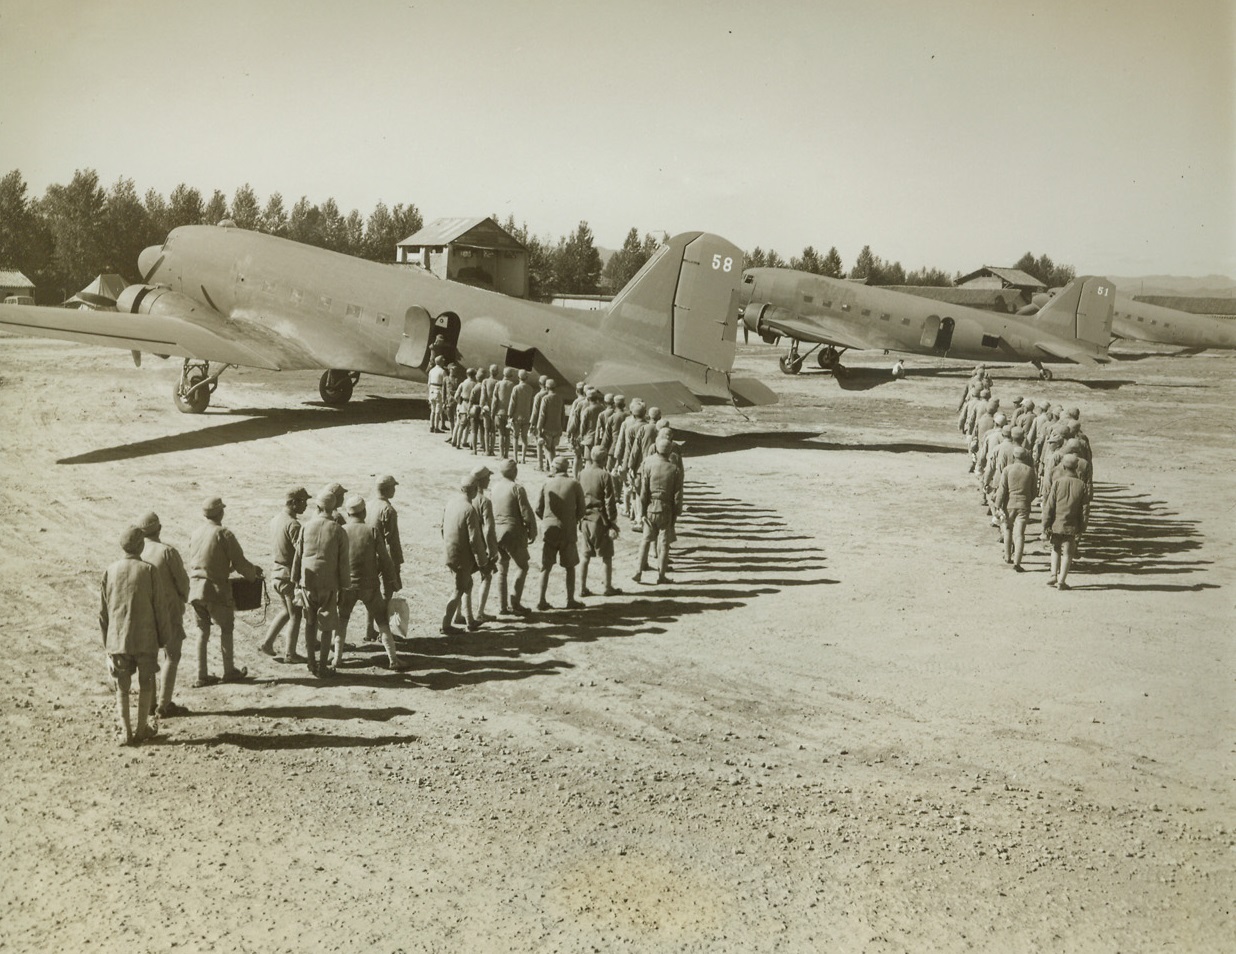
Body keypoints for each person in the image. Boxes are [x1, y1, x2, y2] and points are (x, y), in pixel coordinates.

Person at [100, 526, 171, 745]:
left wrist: (108, 643)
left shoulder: (110, 571)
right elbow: (160, 607)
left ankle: (125, 731)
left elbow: (103, 612)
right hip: (146, 638)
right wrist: (163, 637)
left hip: (118, 638)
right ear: (141, 545)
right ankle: (142, 729)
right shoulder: (149, 571)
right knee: (146, 682)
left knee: (122, 685)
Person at [187, 496, 261, 687]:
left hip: (195, 589)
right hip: (215, 590)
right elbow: (239, 562)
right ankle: (229, 671)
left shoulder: (196, 533)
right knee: (226, 628)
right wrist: (253, 575)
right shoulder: (224, 533)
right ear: (221, 512)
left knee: (202, 631)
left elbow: (204, 561)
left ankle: (201, 675)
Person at [338, 494, 408, 670]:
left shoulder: (341, 531)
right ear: (364, 512)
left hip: (347, 585)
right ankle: (393, 659)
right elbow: (385, 559)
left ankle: (337, 659)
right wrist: (393, 579)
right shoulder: (372, 531)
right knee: (383, 622)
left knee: (342, 621)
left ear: (348, 513)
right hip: (370, 585)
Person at [137, 512, 190, 719]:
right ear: (159, 528)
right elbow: (182, 583)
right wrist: (183, 599)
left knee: (149, 658)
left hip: (145, 613)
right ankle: (164, 704)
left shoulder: (137, 552)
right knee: (172, 656)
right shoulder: (167, 552)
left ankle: (149, 704)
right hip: (169, 611)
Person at [292, 490, 349, 677]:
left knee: (310, 623)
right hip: (329, 584)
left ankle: (311, 662)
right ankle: (323, 665)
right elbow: (343, 562)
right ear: (334, 508)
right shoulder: (338, 530)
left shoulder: (306, 527)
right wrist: (344, 586)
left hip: (307, 582)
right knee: (326, 626)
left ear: (317, 507)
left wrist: (295, 581)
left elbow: (298, 556)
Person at [261, 487, 308, 663]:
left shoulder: (276, 519)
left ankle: (267, 643)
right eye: (303, 501)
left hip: (276, 573)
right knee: (296, 614)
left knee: (286, 612)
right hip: (289, 575)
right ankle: (290, 653)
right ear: (294, 502)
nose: (306, 505)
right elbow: (301, 553)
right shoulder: (294, 525)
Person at [535, 456, 587, 610]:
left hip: (549, 531)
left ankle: (541, 600)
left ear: (554, 468)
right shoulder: (574, 484)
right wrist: (572, 520)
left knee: (546, 566)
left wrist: (547, 520)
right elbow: (582, 510)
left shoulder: (547, 484)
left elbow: (538, 508)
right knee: (570, 566)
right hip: (567, 531)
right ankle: (570, 599)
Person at [633, 432, 682, 585]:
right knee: (664, 542)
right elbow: (678, 495)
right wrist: (676, 513)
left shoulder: (648, 464)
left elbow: (643, 491)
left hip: (649, 508)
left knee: (645, 541)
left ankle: (638, 572)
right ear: (670, 452)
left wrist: (640, 512)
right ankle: (661, 575)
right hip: (665, 509)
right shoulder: (674, 469)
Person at [490, 458, 537, 615]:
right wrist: (532, 530)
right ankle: (515, 602)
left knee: (502, 568)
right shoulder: (517, 488)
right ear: (515, 471)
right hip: (512, 532)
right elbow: (526, 512)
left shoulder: (494, 487)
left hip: (496, 532)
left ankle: (502, 606)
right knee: (523, 566)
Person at [442, 475, 488, 633]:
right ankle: (446, 625)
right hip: (462, 557)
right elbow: (474, 540)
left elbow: (443, 527)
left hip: (450, 551)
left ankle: (468, 620)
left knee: (467, 585)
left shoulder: (451, 503)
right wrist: (482, 561)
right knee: (458, 590)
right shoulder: (469, 509)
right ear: (475, 490)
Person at [1041, 454, 1089, 590]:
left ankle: (1053, 575)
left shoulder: (1057, 483)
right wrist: (1083, 526)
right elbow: (1085, 509)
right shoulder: (1082, 485)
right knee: (1068, 553)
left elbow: (1049, 506)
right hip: (1072, 525)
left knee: (1055, 548)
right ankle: (1062, 581)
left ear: (1063, 466)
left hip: (1056, 523)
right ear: (1077, 467)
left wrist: (1045, 524)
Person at [578, 446, 622, 597]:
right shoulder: (605, 475)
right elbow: (610, 501)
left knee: (585, 556)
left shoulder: (582, 473)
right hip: (600, 519)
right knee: (607, 556)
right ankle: (607, 587)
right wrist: (612, 522)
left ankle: (582, 588)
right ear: (604, 459)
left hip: (584, 519)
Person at [365, 475, 403, 642]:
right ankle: (384, 631)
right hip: (384, 557)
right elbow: (392, 540)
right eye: (393, 487)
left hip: (369, 555)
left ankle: (369, 630)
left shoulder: (368, 505)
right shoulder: (388, 509)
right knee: (386, 594)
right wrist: (396, 564)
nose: (394, 490)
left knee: (372, 594)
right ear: (387, 489)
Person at [994, 446, 1038, 570]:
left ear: (1014, 457)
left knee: (1007, 529)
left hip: (1008, 504)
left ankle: (1007, 556)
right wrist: (1027, 500)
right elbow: (1035, 491)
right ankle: (1017, 562)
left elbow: (1002, 490)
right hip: (1023, 505)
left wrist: (998, 505)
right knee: (1019, 534)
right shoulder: (1030, 471)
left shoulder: (1008, 469)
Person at [468, 465, 500, 621]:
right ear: (481, 481)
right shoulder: (484, 501)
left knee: (464, 581)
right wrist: (493, 550)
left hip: (467, 545)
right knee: (486, 576)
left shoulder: (468, 498)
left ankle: (462, 614)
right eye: (487, 477)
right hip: (480, 546)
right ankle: (480, 613)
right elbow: (488, 529)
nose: (489, 480)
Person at [535, 378, 566, 473]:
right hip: (557, 428)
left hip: (547, 428)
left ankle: (553, 468)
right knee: (553, 449)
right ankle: (549, 466)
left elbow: (542, 415)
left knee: (547, 448)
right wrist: (562, 427)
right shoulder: (560, 398)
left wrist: (538, 429)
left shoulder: (546, 398)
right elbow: (563, 414)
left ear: (547, 387)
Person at [508, 369, 536, 464]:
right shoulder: (530, 389)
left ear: (518, 377)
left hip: (516, 417)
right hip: (526, 417)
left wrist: (509, 414)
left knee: (515, 437)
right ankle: (523, 458)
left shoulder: (516, 388)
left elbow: (512, 403)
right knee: (524, 438)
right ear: (527, 378)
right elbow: (532, 404)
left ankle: (515, 458)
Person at [492, 367, 517, 459]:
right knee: (507, 435)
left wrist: (492, 412)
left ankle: (501, 455)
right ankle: (506, 454)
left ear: (503, 374)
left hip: (499, 412)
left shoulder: (498, 384)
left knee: (501, 434)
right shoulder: (513, 385)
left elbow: (495, 400)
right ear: (511, 375)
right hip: (509, 414)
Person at [427, 355, 448, 433]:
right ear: (441, 362)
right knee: (438, 411)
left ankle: (431, 426)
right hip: (439, 391)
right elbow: (445, 384)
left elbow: (428, 383)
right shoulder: (443, 371)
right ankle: (436, 427)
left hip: (432, 391)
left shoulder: (431, 371)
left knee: (432, 410)